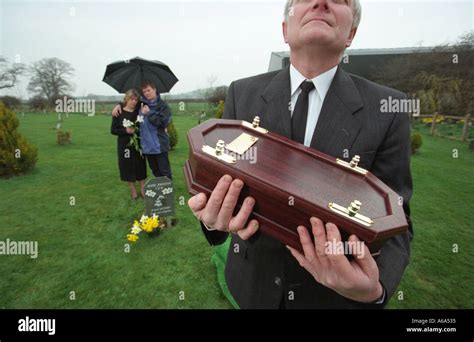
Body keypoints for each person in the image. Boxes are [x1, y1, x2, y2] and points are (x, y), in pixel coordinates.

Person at [188, 0, 413, 309]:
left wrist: (375, 291)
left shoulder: (388, 108)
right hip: (252, 288)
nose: (320, 2)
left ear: (352, 34)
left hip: (332, 301)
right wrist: (213, 222)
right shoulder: (242, 93)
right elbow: (221, 183)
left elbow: (399, 218)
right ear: (285, 30)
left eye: (339, 0)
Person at [113, 81, 173, 180]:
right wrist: (119, 105)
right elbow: (129, 102)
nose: (146, 93)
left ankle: (168, 193)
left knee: (165, 172)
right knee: (155, 171)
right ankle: (160, 193)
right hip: (147, 147)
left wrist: (149, 113)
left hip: (159, 146)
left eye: (148, 90)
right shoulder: (141, 104)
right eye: (144, 92)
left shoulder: (163, 106)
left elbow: (163, 123)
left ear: (154, 90)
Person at [111, 89, 147, 199]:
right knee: (127, 166)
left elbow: (146, 103)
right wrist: (125, 131)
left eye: (136, 99)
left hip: (138, 143)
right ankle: (133, 191)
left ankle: (143, 189)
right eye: (131, 99)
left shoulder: (138, 110)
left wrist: (119, 104)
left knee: (141, 165)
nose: (134, 102)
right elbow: (113, 130)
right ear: (127, 99)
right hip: (124, 145)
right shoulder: (119, 112)